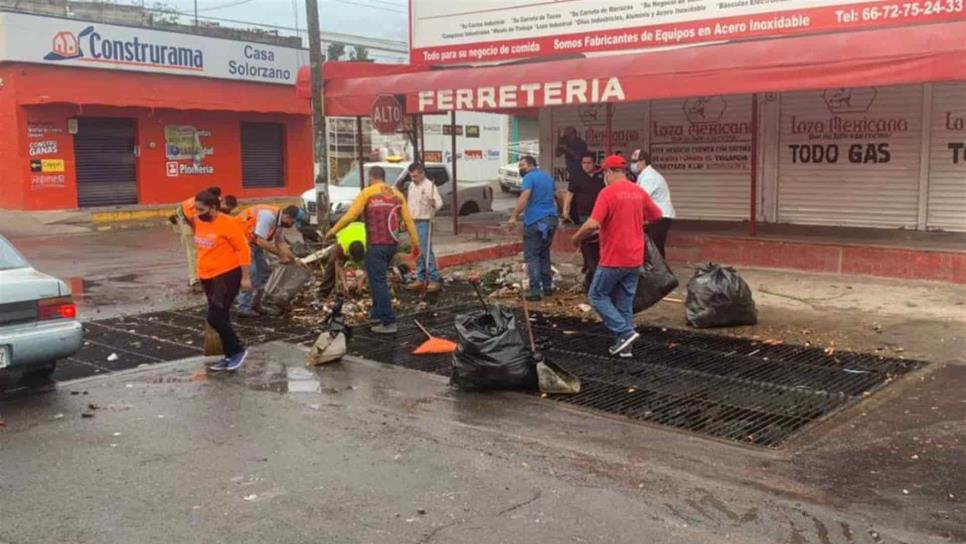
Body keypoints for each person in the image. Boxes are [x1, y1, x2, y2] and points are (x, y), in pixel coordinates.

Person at [571, 155, 663, 359]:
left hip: (614, 258)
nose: (604, 176)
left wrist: (576, 238)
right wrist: (635, 223)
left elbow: (593, 224)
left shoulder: (607, 193)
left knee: (596, 295)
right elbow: (656, 215)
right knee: (624, 302)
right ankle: (625, 348)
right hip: (634, 258)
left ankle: (625, 332)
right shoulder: (638, 191)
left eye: (604, 172)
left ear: (610, 172)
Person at [325, 165, 420, 335]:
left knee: (378, 283)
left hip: (376, 244)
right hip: (392, 244)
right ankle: (376, 313)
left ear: (371, 177)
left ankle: (388, 321)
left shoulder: (368, 193)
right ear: (384, 178)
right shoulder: (397, 195)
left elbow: (350, 216)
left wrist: (332, 231)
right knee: (377, 279)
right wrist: (416, 244)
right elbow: (409, 221)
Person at [192, 190, 251, 372]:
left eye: (201, 209)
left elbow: (244, 250)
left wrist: (246, 277)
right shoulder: (198, 221)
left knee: (215, 316)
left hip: (226, 275)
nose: (197, 213)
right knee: (222, 315)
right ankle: (229, 355)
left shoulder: (228, 224)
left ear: (213, 208)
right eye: (196, 209)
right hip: (206, 276)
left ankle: (238, 350)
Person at [236, 204, 303, 317]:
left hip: (252, 244)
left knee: (264, 273)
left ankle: (256, 303)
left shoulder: (279, 223)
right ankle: (243, 307)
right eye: (292, 222)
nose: (291, 226)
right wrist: (281, 255)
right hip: (241, 243)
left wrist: (294, 258)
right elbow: (261, 241)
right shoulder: (268, 217)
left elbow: (281, 243)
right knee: (251, 274)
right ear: (287, 216)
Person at [508, 155, 559, 302]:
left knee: (532, 256)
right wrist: (562, 212)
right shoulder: (547, 177)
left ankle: (535, 290)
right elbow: (558, 195)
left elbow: (525, 197)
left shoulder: (529, 178)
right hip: (551, 220)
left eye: (522, 165)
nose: (520, 168)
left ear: (530, 165)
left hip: (536, 221)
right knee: (544, 253)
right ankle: (547, 287)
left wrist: (514, 216)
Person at [563, 153, 606, 292]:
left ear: (594, 163)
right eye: (584, 163)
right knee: (587, 241)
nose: (586, 166)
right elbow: (570, 194)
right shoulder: (577, 176)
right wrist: (565, 210)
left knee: (599, 241)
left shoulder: (602, 175)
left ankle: (596, 266)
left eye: (589, 163)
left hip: (601, 214)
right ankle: (589, 265)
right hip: (584, 215)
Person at [174, 185, 222, 291]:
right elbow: (195, 221)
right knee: (193, 252)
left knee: (198, 250)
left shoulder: (205, 200)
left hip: (184, 219)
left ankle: (202, 274)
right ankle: (194, 279)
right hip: (184, 221)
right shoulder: (199, 204)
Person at [405, 163, 443, 293]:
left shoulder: (429, 186)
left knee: (426, 250)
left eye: (415, 176)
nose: (413, 179)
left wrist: (434, 203)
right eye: (411, 176)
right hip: (413, 221)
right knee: (417, 251)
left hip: (424, 221)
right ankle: (420, 278)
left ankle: (433, 279)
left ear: (422, 173)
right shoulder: (411, 186)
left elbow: (439, 203)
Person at [630, 149, 675, 258]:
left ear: (644, 161)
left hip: (661, 216)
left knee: (655, 248)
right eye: (632, 161)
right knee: (653, 247)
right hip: (657, 216)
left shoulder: (649, 177)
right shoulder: (644, 175)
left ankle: (660, 272)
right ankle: (658, 271)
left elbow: (640, 198)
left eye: (636, 161)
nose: (633, 164)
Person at [320, 221, 367, 297]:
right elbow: (339, 264)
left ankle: (372, 290)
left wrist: (361, 280)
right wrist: (344, 284)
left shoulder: (369, 245)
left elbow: (372, 265)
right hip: (346, 230)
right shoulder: (342, 246)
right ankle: (324, 291)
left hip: (363, 229)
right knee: (332, 261)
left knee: (375, 267)